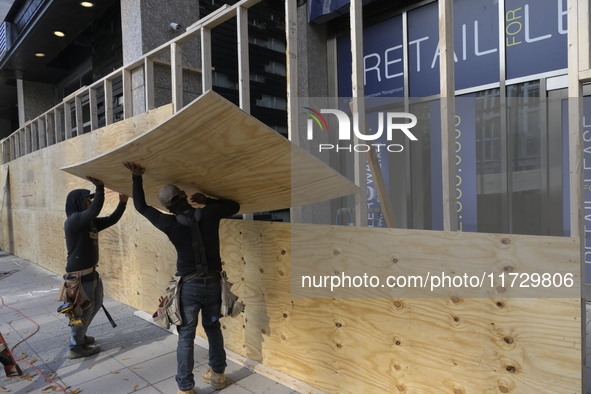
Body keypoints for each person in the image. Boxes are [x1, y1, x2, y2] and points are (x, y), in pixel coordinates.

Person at [123, 162, 240, 394]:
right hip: (215, 285)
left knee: (186, 335)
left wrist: (137, 177)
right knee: (213, 327)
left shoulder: (167, 222)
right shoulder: (209, 213)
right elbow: (234, 206)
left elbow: (141, 206)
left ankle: (186, 388)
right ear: (185, 195)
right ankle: (218, 376)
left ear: (167, 207)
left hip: (189, 288)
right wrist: (207, 201)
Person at [63, 176, 128, 359]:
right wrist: (99, 187)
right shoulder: (73, 221)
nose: (90, 201)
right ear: (78, 202)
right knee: (81, 310)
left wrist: (122, 203)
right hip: (79, 277)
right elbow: (94, 210)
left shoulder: (88, 223)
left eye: (91, 198)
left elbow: (111, 219)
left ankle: (80, 337)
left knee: (96, 304)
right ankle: (75, 346)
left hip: (91, 273)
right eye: (87, 198)